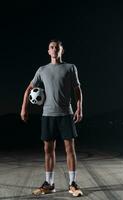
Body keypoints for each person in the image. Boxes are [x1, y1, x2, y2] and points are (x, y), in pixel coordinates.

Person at [20, 39, 83, 197]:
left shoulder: (70, 68)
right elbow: (28, 89)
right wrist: (24, 108)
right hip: (48, 115)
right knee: (48, 150)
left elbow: (77, 89)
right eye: (51, 47)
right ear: (48, 51)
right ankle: (49, 184)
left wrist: (79, 108)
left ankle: (72, 184)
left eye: (57, 47)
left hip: (66, 114)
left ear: (62, 50)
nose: (54, 49)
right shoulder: (42, 70)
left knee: (70, 149)